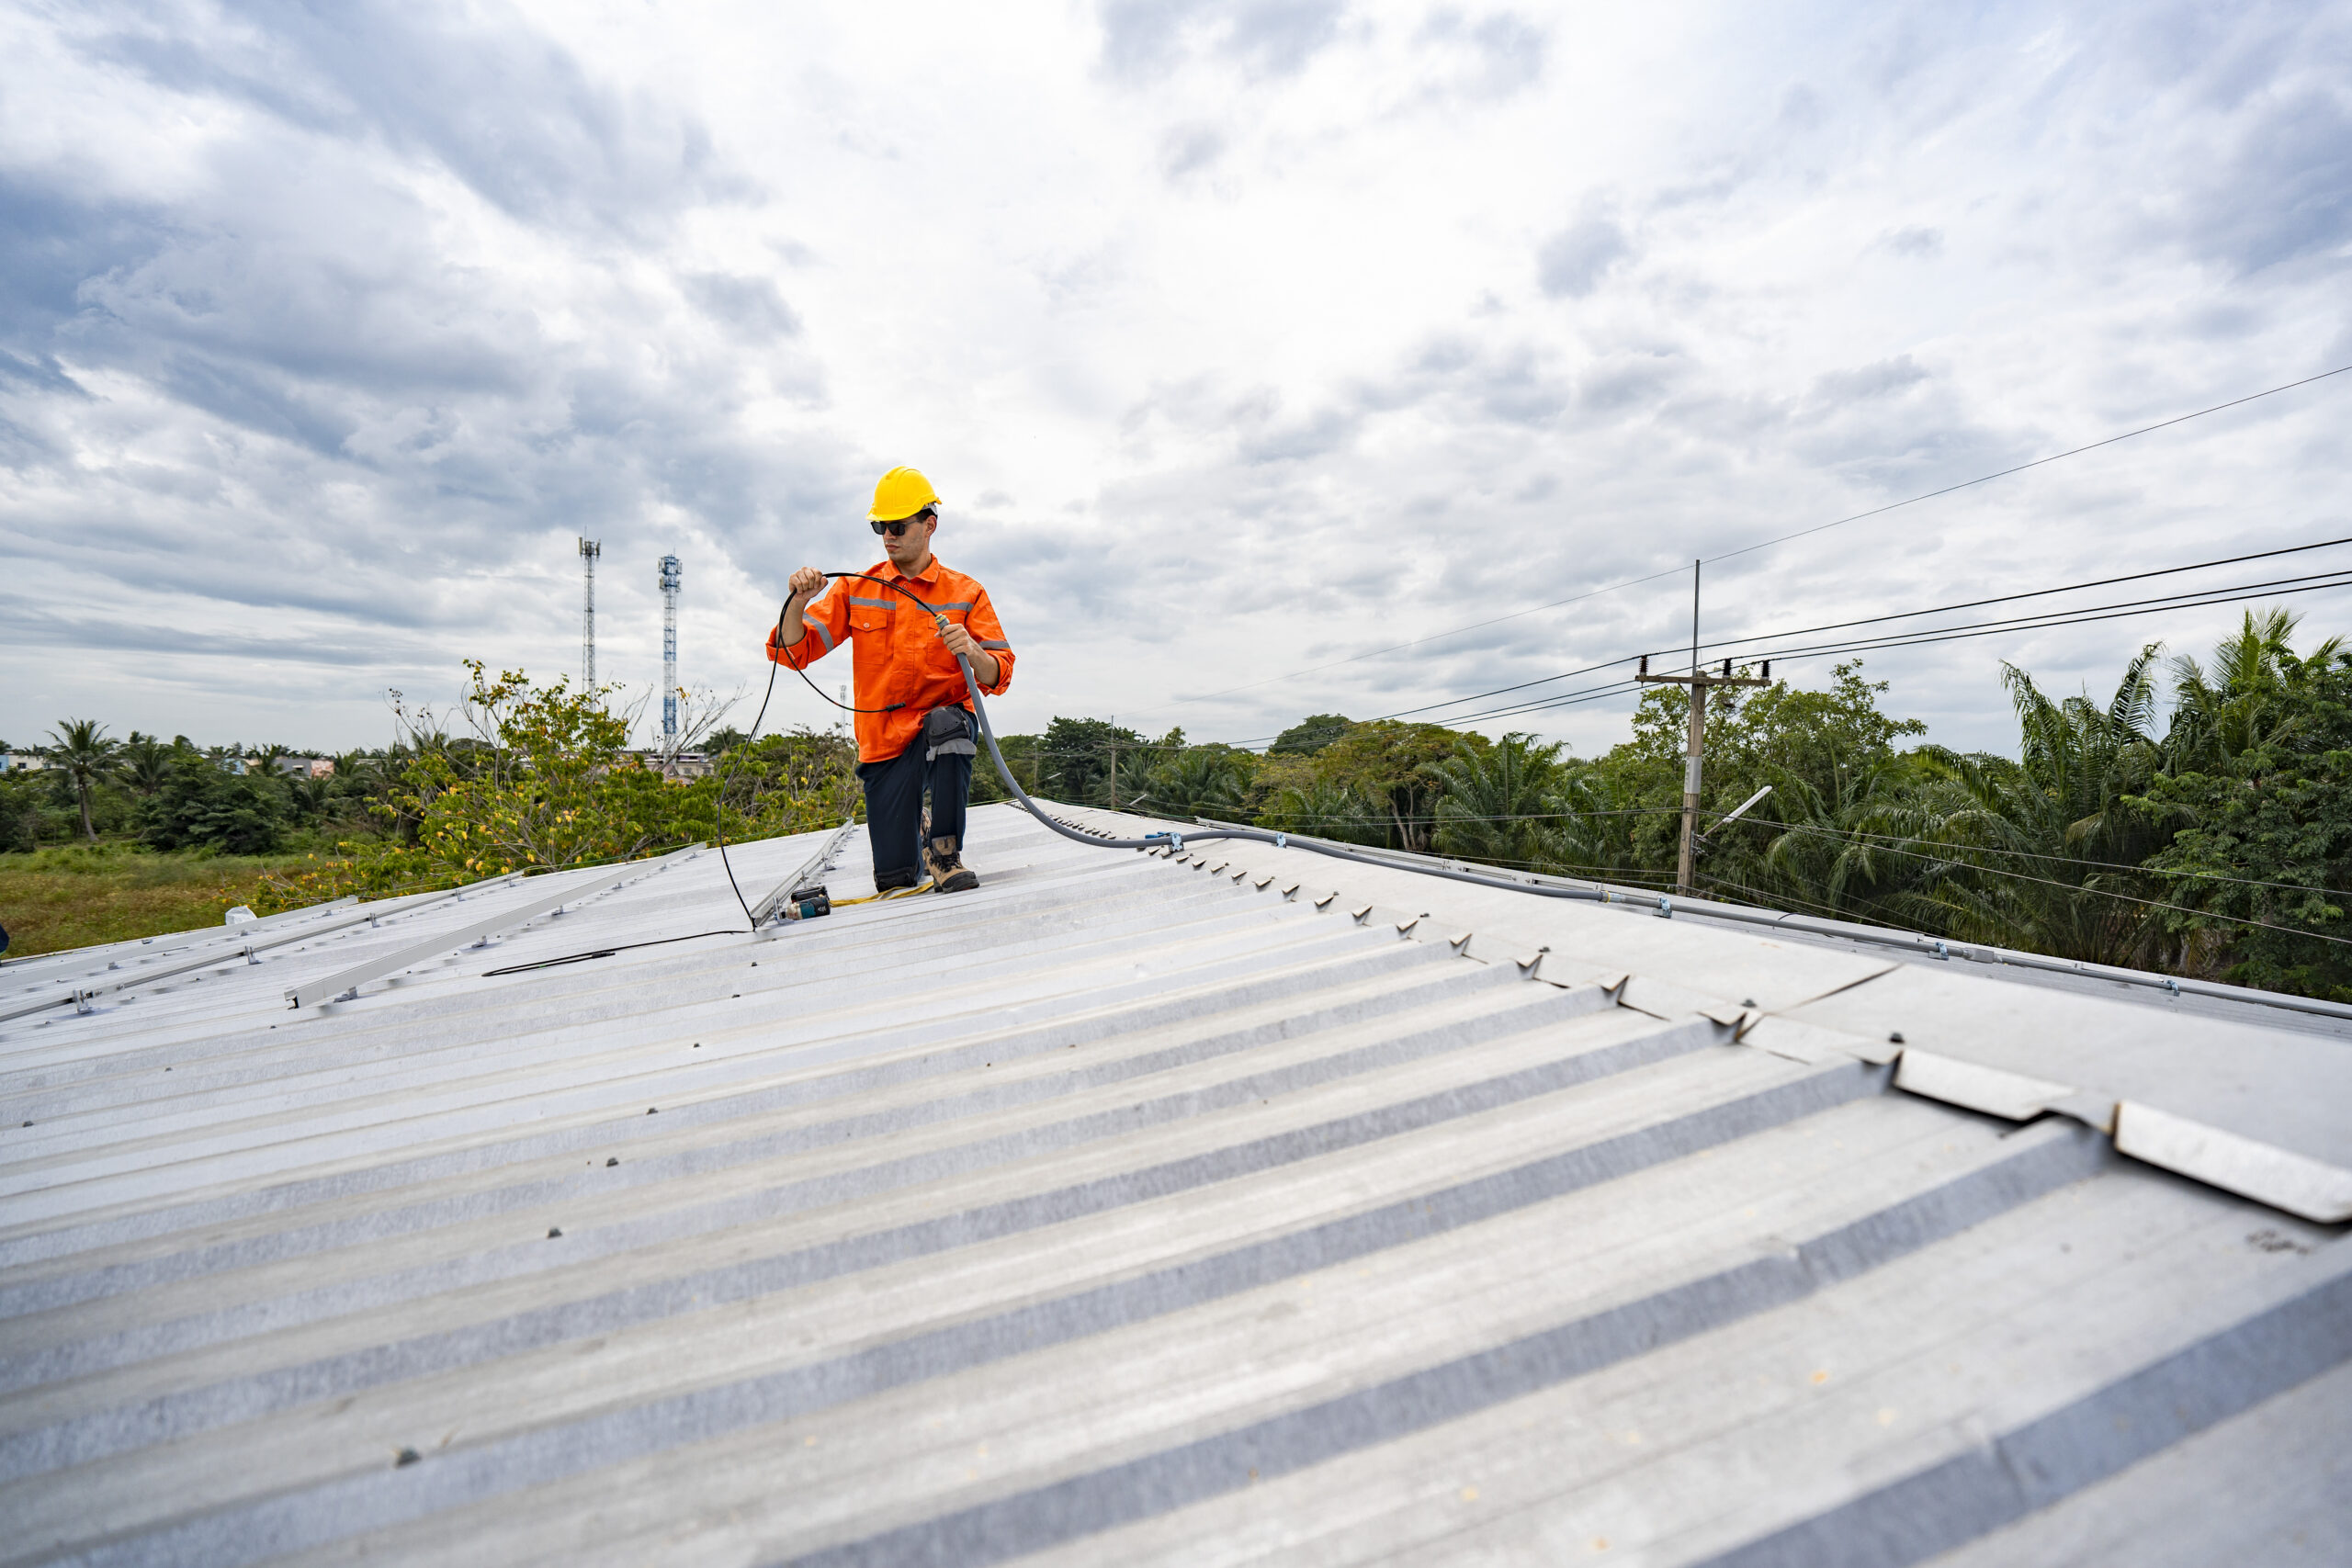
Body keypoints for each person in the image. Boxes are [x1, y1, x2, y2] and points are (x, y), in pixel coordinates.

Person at [767, 467, 1014, 894]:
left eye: (898, 526)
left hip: (941, 727)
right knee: (895, 879)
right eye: (881, 526)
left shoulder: (966, 592)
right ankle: (914, 837)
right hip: (883, 740)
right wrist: (798, 603)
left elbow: (999, 673)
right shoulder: (855, 589)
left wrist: (972, 650)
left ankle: (944, 852)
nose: (888, 536)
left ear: (929, 525)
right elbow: (793, 651)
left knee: (949, 724)